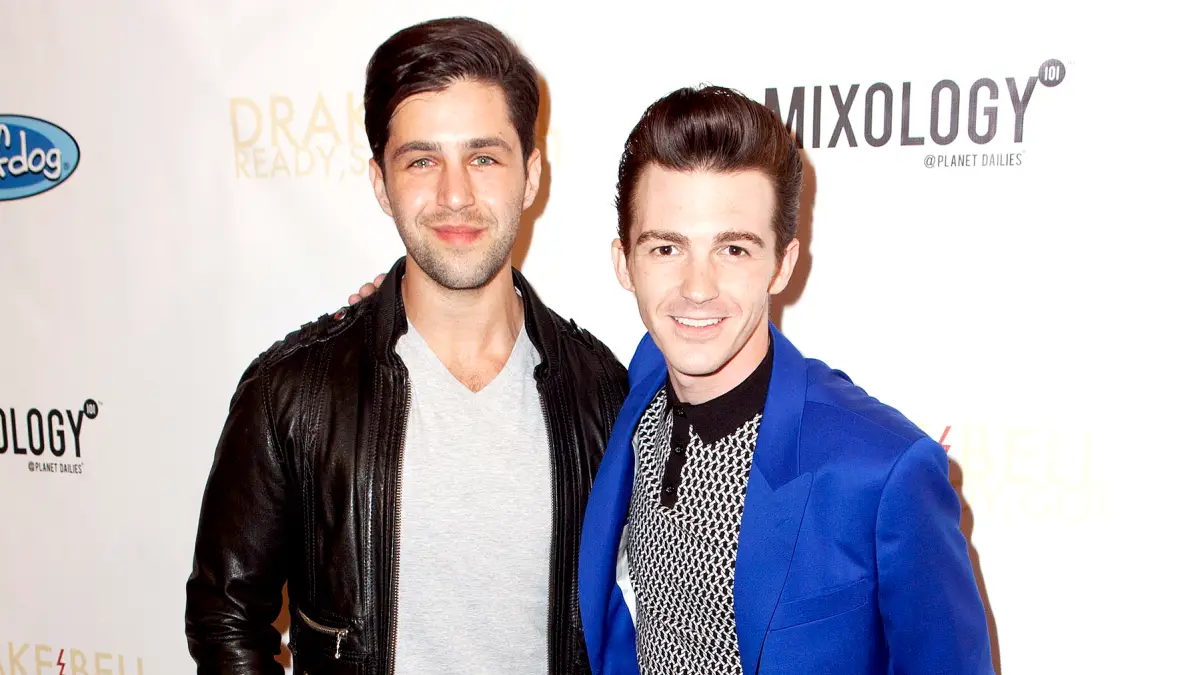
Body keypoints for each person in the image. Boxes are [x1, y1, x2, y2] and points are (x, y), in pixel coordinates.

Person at [184, 17, 627, 675]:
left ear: (531, 176)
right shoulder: (294, 392)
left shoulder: (601, 392)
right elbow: (226, 618)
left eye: (484, 157)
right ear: (378, 182)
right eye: (422, 159)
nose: (455, 195)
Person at [573, 85, 994, 674]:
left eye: (734, 250)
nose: (698, 287)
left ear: (784, 264)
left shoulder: (882, 470)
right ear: (624, 263)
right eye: (667, 248)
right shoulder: (642, 381)